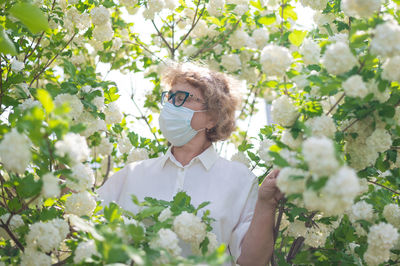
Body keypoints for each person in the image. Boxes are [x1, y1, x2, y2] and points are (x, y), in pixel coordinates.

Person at [97, 62, 283, 266]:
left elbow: (252, 261)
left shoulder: (239, 180)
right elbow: (88, 229)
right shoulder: (132, 175)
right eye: (169, 97)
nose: (170, 106)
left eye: (181, 98)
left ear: (211, 118)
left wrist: (266, 203)